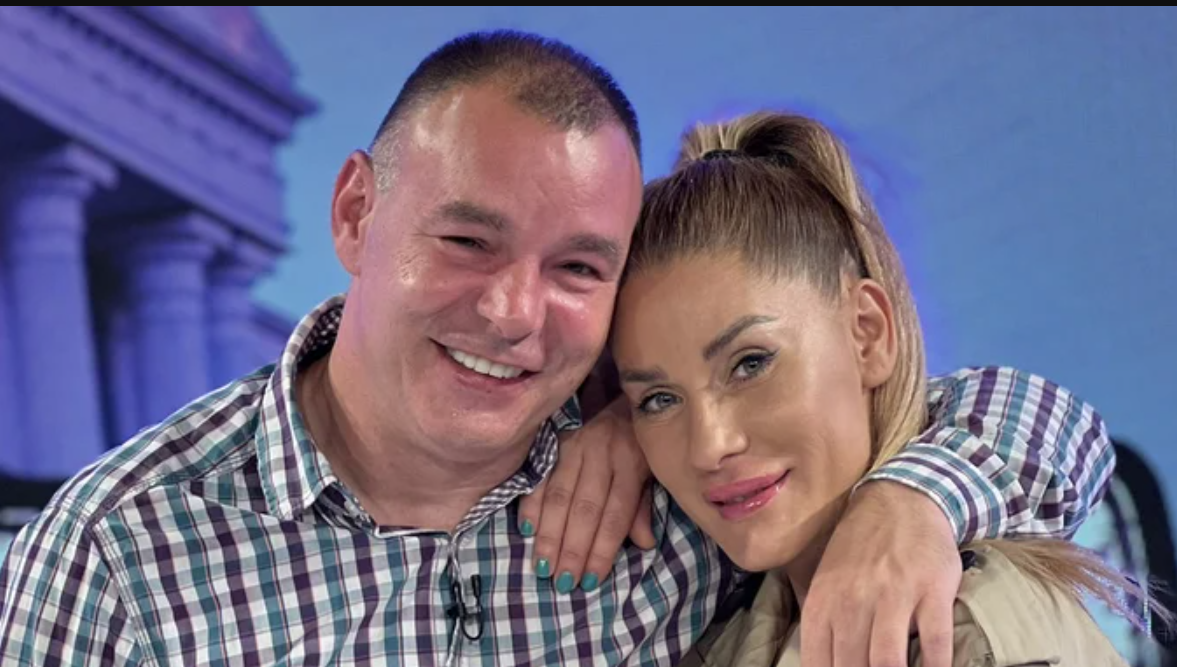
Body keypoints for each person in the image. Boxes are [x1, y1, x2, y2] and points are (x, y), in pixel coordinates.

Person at [0, 30, 1114, 666]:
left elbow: (1023, 415)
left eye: (578, 267)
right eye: (467, 241)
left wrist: (911, 500)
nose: (512, 312)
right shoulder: (118, 550)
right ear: (354, 214)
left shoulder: (693, 499)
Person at [606, 109, 1154, 666]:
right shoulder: (736, 629)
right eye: (659, 400)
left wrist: (916, 498)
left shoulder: (953, 628)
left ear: (867, 334)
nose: (709, 446)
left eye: (751, 364)